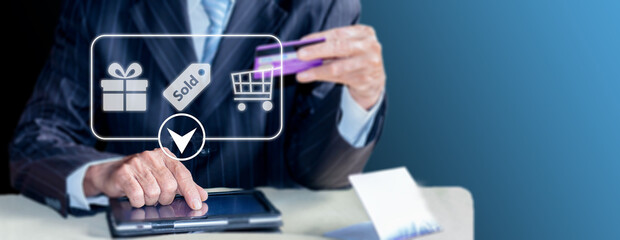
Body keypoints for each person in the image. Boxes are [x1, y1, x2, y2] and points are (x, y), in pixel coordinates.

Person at [9, 0, 386, 216]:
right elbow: (34, 142)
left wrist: (360, 100)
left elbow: (322, 175)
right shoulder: (100, 5)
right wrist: (101, 174)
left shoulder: (321, 6)